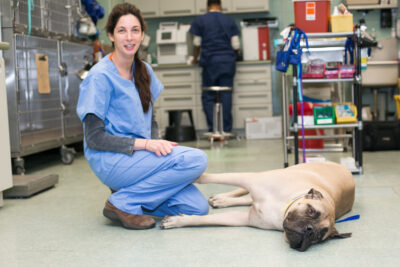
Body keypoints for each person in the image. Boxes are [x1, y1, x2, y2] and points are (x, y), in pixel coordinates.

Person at [76, 3, 209, 230]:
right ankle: (121, 202)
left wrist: (156, 151)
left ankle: (132, 195)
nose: (129, 37)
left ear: (142, 34)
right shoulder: (100, 77)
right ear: (111, 35)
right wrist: (147, 145)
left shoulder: (144, 70)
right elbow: (94, 139)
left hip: (140, 158)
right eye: (122, 30)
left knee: (198, 208)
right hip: (112, 159)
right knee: (196, 159)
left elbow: (151, 119)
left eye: (135, 30)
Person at [189, 0, 240, 132]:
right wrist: (232, 56)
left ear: (207, 6)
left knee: (208, 95)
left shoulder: (200, 20)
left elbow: (196, 43)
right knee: (226, 94)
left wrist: (195, 59)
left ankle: (214, 129)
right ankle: (226, 130)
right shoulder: (229, 20)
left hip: (210, 62)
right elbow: (236, 45)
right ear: (220, 6)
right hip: (227, 62)